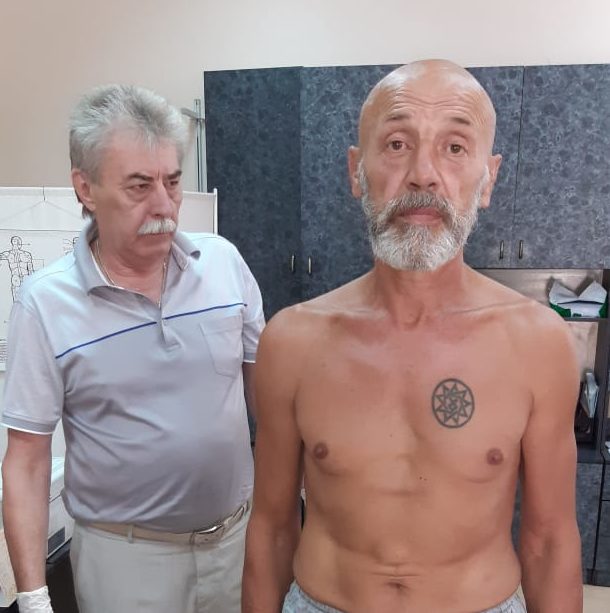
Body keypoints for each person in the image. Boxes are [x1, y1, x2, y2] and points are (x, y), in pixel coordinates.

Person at [242, 60, 582, 613]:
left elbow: (550, 541)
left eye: (455, 147)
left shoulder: (539, 345)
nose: (424, 174)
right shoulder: (292, 342)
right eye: (397, 144)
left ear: (488, 178)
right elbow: (272, 527)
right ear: (357, 171)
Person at [1, 84, 264, 613]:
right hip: (125, 561)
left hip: (236, 544)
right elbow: (26, 461)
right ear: (85, 188)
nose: (164, 206)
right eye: (139, 186)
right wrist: (32, 597)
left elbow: (269, 400)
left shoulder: (223, 264)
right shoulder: (46, 303)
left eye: (173, 181)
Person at [0, 235, 34, 300]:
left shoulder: (26, 254)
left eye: (17, 241)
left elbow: (30, 269)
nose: (16, 243)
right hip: (15, 278)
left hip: (26, 277)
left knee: (27, 296)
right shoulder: (8, 254)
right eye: (15, 241)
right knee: (16, 296)